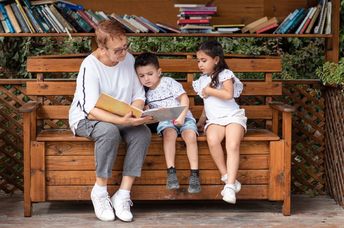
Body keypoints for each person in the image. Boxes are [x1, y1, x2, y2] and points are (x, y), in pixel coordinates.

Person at [68, 20, 152, 222]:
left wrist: (136, 112)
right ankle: (100, 191)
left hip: (123, 117)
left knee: (142, 133)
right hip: (88, 119)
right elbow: (90, 110)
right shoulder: (90, 65)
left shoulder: (129, 60)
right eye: (117, 50)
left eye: (125, 47)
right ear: (102, 48)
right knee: (109, 131)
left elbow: (139, 95)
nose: (123, 54)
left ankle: (123, 194)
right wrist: (121, 120)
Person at [134, 52, 201, 194]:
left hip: (184, 116)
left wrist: (182, 117)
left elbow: (184, 99)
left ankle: (194, 173)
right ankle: (171, 171)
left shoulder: (168, 82)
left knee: (190, 136)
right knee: (168, 134)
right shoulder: (145, 93)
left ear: (159, 72)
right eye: (142, 76)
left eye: (150, 74)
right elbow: (151, 113)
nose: (146, 78)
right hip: (166, 121)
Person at [193, 40, 247, 204]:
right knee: (212, 139)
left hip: (233, 117)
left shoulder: (225, 74)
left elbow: (228, 94)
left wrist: (209, 90)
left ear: (216, 60)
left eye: (204, 60)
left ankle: (230, 186)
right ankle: (226, 176)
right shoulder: (201, 80)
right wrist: (201, 121)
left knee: (232, 144)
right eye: (198, 61)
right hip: (215, 120)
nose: (200, 64)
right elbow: (207, 104)